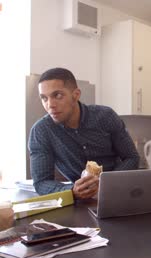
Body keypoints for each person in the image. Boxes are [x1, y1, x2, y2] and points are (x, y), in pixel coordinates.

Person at [29, 68, 140, 199]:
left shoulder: (106, 116)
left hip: (118, 194)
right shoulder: (41, 131)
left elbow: (132, 157)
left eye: (57, 95)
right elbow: (41, 182)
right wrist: (72, 190)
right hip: (79, 201)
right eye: (44, 98)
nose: (50, 104)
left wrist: (107, 183)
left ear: (76, 94)